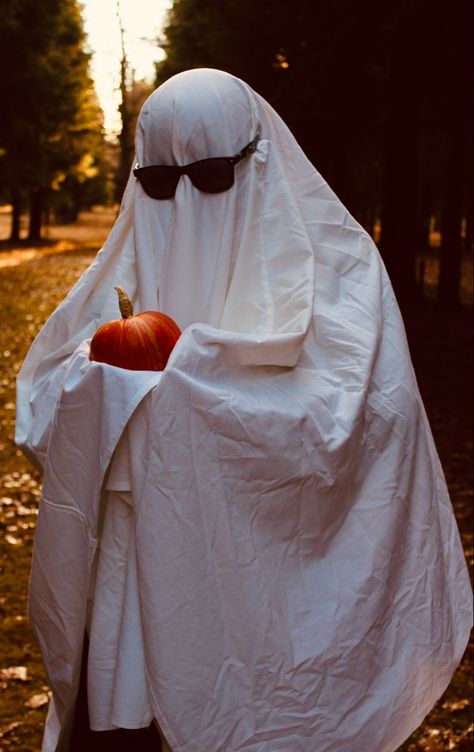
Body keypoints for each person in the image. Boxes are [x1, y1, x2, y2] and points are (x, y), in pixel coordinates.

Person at [16, 68, 472, 752]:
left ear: (256, 162)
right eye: (161, 185)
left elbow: (353, 425)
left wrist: (185, 395)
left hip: (281, 618)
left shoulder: (342, 274)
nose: (186, 207)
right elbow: (44, 412)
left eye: (210, 177)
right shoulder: (118, 280)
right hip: (139, 606)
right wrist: (96, 392)